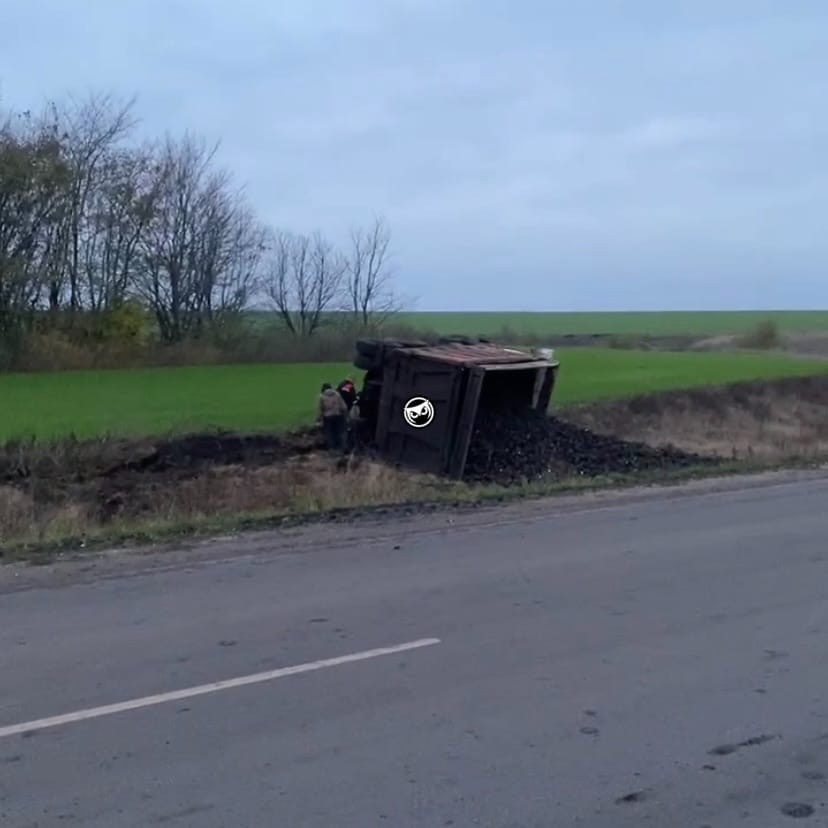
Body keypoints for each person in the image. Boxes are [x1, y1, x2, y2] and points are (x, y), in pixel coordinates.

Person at [318, 382, 348, 451]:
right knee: (339, 431)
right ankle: (342, 448)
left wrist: (319, 419)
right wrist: (345, 415)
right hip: (338, 415)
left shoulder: (322, 396)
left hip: (327, 417)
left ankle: (332, 448)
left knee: (330, 433)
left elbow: (320, 409)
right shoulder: (337, 394)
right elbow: (344, 407)